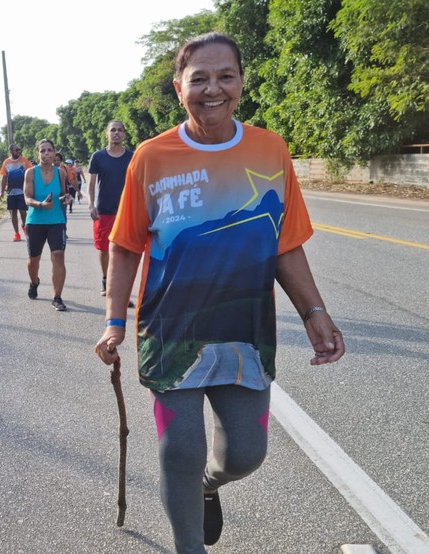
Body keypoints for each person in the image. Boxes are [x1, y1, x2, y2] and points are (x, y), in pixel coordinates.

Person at [93, 33, 345, 553]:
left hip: (244, 332)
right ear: (178, 87)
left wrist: (314, 311)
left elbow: (285, 244)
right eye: (199, 78)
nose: (213, 89)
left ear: (240, 81)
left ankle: (207, 486)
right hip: (168, 330)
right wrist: (115, 321)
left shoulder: (270, 149)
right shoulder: (152, 156)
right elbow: (125, 247)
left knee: (246, 453)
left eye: (225, 76)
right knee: (178, 451)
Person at [88, 121, 134, 297]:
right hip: (104, 210)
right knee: (104, 248)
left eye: (120, 130)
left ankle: (121, 287)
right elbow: (91, 184)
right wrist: (91, 204)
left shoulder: (131, 156)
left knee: (125, 250)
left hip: (126, 211)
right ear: (107, 133)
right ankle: (106, 280)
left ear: (124, 134)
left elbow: (138, 181)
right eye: (112, 130)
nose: (116, 133)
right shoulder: (98, 157)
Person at [23, 139, 70, 311]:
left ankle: (57, 297)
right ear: (38, 153)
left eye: (49, 150)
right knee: (33, 260)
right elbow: (27, 198)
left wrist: (66, 198)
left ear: (54, 152)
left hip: (56, 221)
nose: (46, 153)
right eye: (42, 151)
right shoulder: (30, 173)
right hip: (35, 221)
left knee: (58, 255)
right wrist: (41, 204)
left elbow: (62, 195)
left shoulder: (60, 173)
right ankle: (34, 282)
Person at [0, 143, 33, 241]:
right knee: (13, 213)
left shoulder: (24, 160)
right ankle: (17, 234)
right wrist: (1, 191)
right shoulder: (6, 162)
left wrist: (31, 187)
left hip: (23, 191)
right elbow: (4, 177)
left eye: (19, 149)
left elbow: (30, 173)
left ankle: (24, 226)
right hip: (11, 192)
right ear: (11, 151)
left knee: (23, 211)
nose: (19, 151)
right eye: (16, 150)